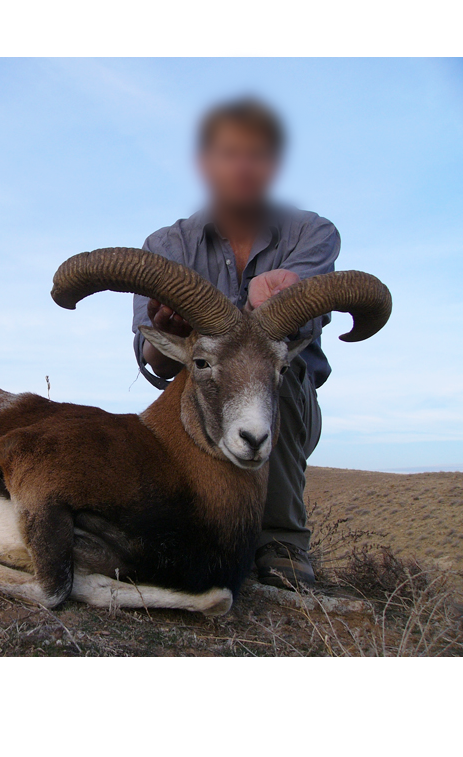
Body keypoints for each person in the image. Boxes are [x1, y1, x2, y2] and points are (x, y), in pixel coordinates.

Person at [132, 98, 340, 589]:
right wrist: (174, 334)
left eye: (259, 154)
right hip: (199, 393)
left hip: (281, 400)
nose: (245, 167)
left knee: (265, 375)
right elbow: (154, 358)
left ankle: (283, 543)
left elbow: (293, 324)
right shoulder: (166, 247)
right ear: (206, 163)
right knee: (194, 381)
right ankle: (173, 524)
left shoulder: (311, 234)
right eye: (230, 153)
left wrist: (282, 298)